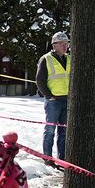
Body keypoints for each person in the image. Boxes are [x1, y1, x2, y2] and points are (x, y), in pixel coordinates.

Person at [35, 31, 71, 163]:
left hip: (66, 100)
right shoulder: (46, 59)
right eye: (61, 44)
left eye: (66, 43)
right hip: (53, 101)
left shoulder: (69, 59)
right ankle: (48, 158)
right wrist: (49, 96)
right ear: (54, 45)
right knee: (50, 130)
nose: (65, 46)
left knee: (64, 132)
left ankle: (62, 159)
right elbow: (40, 80)